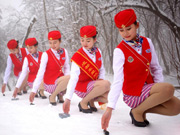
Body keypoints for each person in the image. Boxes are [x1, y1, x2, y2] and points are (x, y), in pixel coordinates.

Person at [101, 9, 180, 129]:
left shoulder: (147, 42)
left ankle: (140, 110)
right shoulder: (119, 51)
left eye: (128, 28)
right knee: (168, 88)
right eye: (121, 30)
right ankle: (136, 112)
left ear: (136, 25)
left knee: (176, 107)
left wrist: (158, 91)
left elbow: (156, 68)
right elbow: (118, 80)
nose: (125, 33)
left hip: (149, 89)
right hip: (132, 94)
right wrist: (110, 108)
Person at [63, 25, 110, 114]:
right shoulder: (78, 56)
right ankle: (83, 102)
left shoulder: (98, 51)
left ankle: (91, 101)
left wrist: (100, 80)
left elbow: (102, 69)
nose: (84, 43)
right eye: (82, 40)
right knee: (106, 85)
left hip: (93, 84)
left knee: (106, 94)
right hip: (81, 86)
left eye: (88, 41)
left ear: (94, 40)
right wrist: (68, 98)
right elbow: (73, 77)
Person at [29, 30, 70, 105]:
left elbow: (66, 67)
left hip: (60, 80)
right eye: (50, 43)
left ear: (60, 41)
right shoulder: (46, 54)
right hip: (50, 83)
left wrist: (66, 82)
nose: (52, 45)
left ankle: (60, 94)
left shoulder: (65, 51)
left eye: (55, 42)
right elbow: (40, 72)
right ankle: (53, 96)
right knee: (69, 78)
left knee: (70, 78)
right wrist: (34, 90)